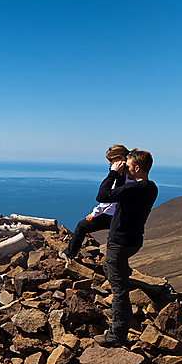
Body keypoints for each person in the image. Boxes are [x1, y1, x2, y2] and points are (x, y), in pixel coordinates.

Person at [93, 149, 158, 347]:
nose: (125, 169)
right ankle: (124, 313)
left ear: (137, 168)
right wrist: (122, 176)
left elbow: (102, 196)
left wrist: (113, 173)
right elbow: (120, 195)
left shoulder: (135, 189)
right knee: (109, 269)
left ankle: (117, 334)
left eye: (128, 166)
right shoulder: (150, 187)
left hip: (119, 243)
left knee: (118, 289)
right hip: (133, 241)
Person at [59, 144, 130, 261]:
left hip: (113, 215)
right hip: (124, 216)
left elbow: (106, 199)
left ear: (119, 159)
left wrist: (95, 213)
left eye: (111, 160)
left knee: (82, 226)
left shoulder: (119, 176)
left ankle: (69, 254)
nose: (109, 163)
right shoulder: (129, 174)